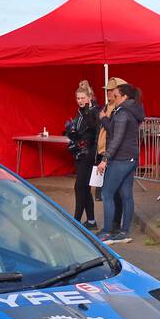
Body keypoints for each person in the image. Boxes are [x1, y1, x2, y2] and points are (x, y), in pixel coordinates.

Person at [95, 83, 144, 244]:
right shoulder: (130, 110)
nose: (113, 98)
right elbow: (116, 130)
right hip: (130, 157)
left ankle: (107, 232)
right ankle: (124, 232)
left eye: (115, 96)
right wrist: (105, 119)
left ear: (124, 97)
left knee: (107, 194)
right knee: (126, 195)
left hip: (120, 158)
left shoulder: (123, 113)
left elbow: (117, 138)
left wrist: (105, 159)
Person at [64, 80, 100, 229]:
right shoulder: (79, 113)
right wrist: (71, 133)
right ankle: (91, 221)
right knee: (84, 188)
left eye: (82, 98)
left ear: (89, 97)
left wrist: (88, 111)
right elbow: (80, 132)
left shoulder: (93, 111)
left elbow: (93, 128)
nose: (80, 101)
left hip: (89, 154)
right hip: (80, 153)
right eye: (78, 98)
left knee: (80, 187)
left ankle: (76, 221)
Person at [93, 76, 128, 225]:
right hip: (102, 152)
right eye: (107, 90)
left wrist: (103, 119)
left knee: (115, 193)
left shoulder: (119, 110)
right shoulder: (106, 107)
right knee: (108, 192)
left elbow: (114, 131)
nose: (108, 92)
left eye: (111, 90)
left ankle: (114, 224)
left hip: (112, 154)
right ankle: (112, 224)